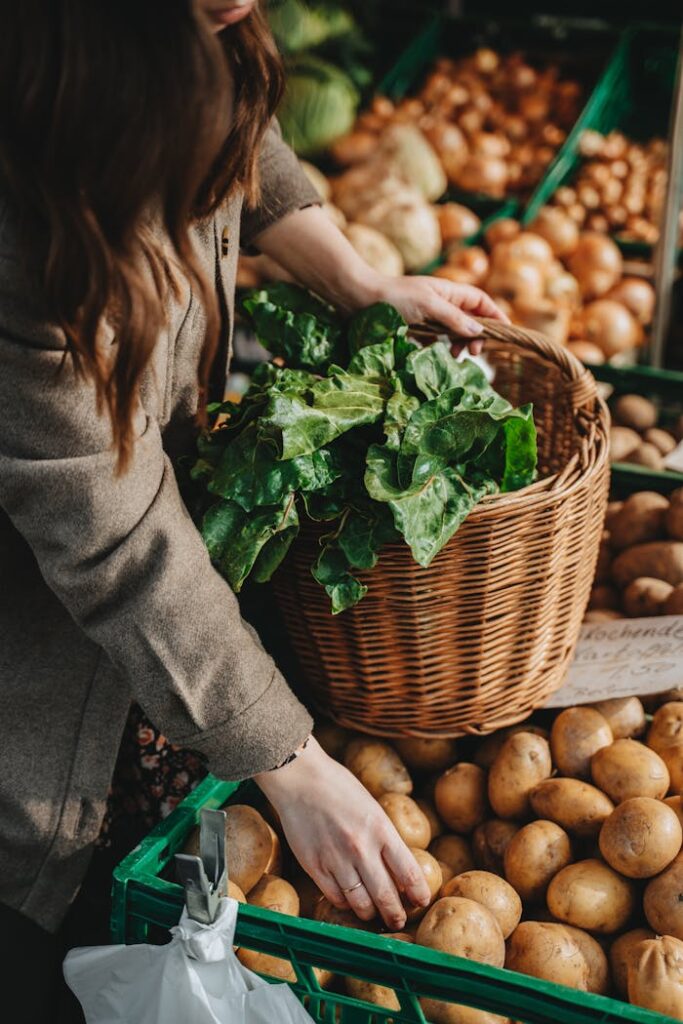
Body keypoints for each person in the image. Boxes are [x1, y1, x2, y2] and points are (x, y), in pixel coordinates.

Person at [0, 2, 507, 1019]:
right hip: (43, 657)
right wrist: (290, 760)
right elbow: (115, 534)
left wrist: (356, 279)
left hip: (161, 637)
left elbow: (242, 129)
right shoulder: (23, 231)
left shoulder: (189, 36)